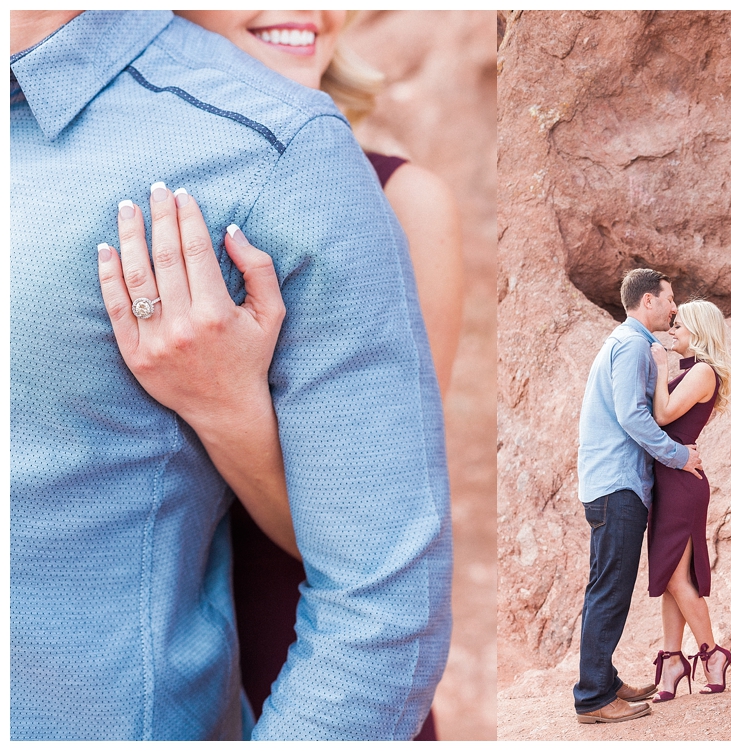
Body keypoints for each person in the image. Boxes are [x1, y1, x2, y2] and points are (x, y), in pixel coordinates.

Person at [11, 10, 450, 740]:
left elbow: (386, 553)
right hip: (196, 608)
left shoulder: (355, 184)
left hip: (281, 623)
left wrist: (224, 404)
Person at [151, 13, 462, 736]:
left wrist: (227, 409)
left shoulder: (404, 203)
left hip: (312, 681)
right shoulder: (108, 196)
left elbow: (392, 540)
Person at [574, 268, 703, 724]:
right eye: (669, 299)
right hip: (617, 486)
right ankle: (592, 698)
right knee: (609, 592)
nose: (673, 308)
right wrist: (677, 456)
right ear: (648, 301)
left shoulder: (621, 342)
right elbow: (633, 415)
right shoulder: (630, 346)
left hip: (609, 484)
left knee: (605, 589)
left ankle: (603, 682)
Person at [647, 300, 731, 701]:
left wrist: (660, 368)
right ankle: (671, 660)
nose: (672, 331)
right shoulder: (695, 371)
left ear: (698, 331)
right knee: (671, 578)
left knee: (675, 577)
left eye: (679, 325)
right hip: (671, 477)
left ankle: (712, 653)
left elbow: (664, 417)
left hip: (680, 481)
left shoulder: (702, 371)